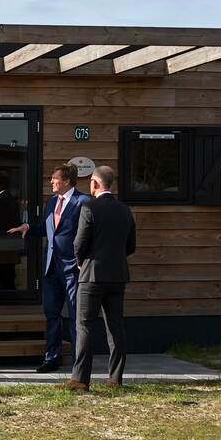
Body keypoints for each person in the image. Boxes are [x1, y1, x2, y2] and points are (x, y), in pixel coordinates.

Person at [7, 164, 88, 372]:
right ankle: (51, 358)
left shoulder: (83, 202)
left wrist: (83, 259)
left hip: (73, 268)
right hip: (51, 267)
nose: (51, 182)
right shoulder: (52, 201)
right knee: (51, 314)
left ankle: (79, 362)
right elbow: (47, 227)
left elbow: (89, 233)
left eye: (55, 178)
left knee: (75, 315)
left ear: (67, 181)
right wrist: (28, 228)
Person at [64, 165, 136, 391]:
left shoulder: (89, 207)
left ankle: (80, 379)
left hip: (92, 275)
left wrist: (81, 261)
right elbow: (131, 245)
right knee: (116, 326)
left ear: (94, 183)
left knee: (84, 325)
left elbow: (79, 243)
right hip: (117, 275)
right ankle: (115, 379)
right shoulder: (125, 210)